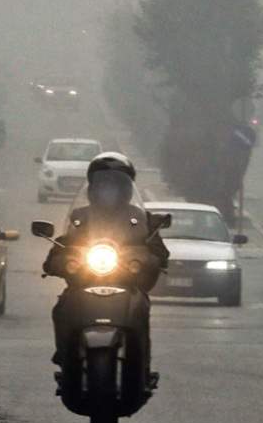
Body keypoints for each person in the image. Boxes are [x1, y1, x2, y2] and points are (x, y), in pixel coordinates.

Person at [42, 152, 169, 365]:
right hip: (85, 282)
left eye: (116, 185)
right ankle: (65, 352)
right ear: (93, 189)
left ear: (126, 189)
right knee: (62, 306)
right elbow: (64, 244)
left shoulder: (141, 219)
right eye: (103, 185)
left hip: (128, 283)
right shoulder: (80, 217)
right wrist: (59, 259)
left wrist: (150, 259)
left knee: (141, 306)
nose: (109, 191)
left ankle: (142, 363)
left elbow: (159, 251)